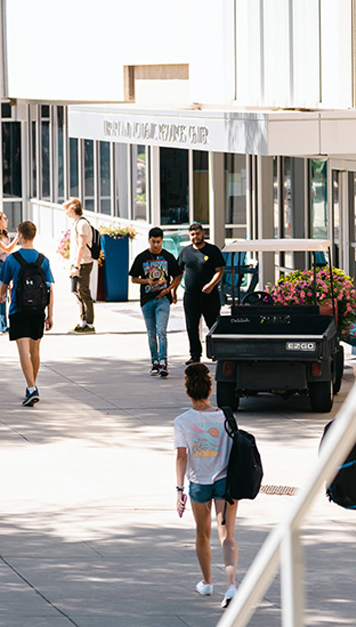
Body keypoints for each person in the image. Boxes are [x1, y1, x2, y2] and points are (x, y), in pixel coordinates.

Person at [175, 363, 238, 609]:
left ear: (188, 392)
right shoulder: (225, 416)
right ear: (210, 389)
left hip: (198, 484)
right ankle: (231, 584)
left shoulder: (182, 421)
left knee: (202, 534)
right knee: (227, 536)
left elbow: (182, 457)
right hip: (224, 482)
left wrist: (179, 489)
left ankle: (207, 582)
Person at [0, 221, 54, 407]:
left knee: (23, 351)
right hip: (38, 310)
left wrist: (1, 296)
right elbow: (50, 289)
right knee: (35, 351)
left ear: (20, 236)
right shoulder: (43, 260)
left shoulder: (12, 259)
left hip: (18, 310)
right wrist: (50, 315)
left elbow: (4, 284)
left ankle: (31, 388)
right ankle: (32, 385)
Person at [129, 226, 182, 378]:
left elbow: (178, 276)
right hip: (147, 300)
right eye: (153, 242)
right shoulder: (142, 257)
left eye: (158, 242)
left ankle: (163, 361)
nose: (156, 245)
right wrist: (147, 281)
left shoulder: (168, 257)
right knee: (151, 332)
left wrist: (170, 290)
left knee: (162, 331)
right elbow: (133, 278)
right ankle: (154, 361)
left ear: (162, 241)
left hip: (163, 299)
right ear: (149, 241)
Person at [177, 223, 225, 365]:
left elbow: (219, 271)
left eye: (197, 233)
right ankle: (195, 355)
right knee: (191, 326)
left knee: (213, 325)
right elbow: (179, 273)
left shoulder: (212, 250)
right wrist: (173, 290)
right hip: (191, 296)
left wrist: (211, 285)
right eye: (192, 234)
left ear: (203, 233)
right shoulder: (185, 252)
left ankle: (219, 353)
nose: (195, 237)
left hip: (210, 296)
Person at [64, 198, 95, 333]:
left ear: (73, 209)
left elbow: (82, 247)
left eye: (67, 209)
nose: (66, 212)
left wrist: (76, 266)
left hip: (83, 263)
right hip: (78, 263)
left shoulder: (82, 224)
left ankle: (89, 324)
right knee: (78, 292)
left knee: (84, 292)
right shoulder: (77, 223)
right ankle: (83, 322)